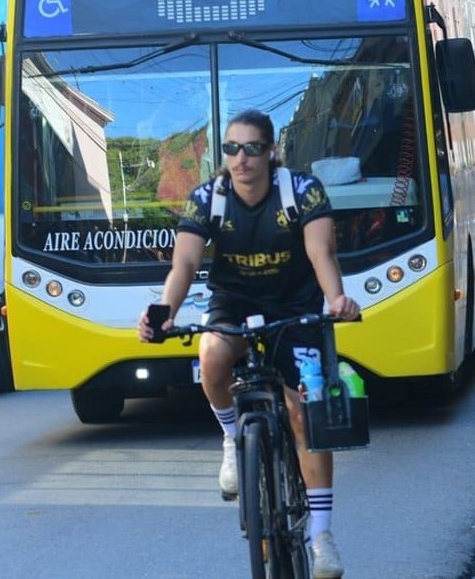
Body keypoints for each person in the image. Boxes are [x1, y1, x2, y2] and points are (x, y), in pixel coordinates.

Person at [138, 109, 360, 578]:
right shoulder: (208, 199)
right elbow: (184, 265)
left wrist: (337, 298)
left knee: (304, 413)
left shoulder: (301, 192)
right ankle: (230, 436)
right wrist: (164, 313)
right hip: (234, 303)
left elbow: (321, 252)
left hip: (294, 306)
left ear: (271, 151)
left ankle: (321, 536)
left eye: (252, 149)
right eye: (232, 149)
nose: (241, 159)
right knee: (212, 356)